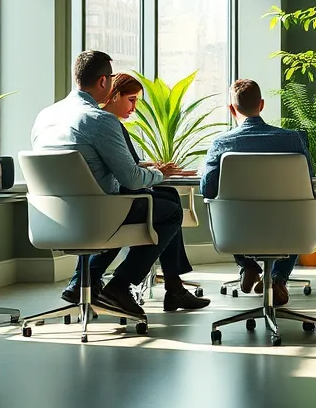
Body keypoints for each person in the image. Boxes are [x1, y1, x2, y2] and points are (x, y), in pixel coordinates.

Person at [30, 51, 187, 319]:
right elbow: (132, 179)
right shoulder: (100, 120)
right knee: (171, 210)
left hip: (51, 216)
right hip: (96, 215)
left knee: (148, 200)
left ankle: (86, 280)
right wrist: (160, 174)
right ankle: (120, 286)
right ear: (104, 81)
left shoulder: (45, 116)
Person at [61, 73, 209, 312]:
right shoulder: (104, 123)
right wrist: (159, 174)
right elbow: (128, 176)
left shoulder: (71, 122)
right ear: (114, 94)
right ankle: (125, 284)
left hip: (72, 207)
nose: (135, 107)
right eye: (131, 100)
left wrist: (152, 168)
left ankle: (173, 287)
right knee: (170, 210)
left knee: (167, 198)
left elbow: (123, 164)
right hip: (105, 206)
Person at [200, 79, 313, 307]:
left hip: (237, 231)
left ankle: (247, 265)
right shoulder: (293, 140)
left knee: (231, 210)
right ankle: (278, 278)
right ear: (261, 105)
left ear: (231, 109)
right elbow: (308, 182)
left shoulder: (221, 144)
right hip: (289, 229)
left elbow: (207, 189)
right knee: (290, 211)